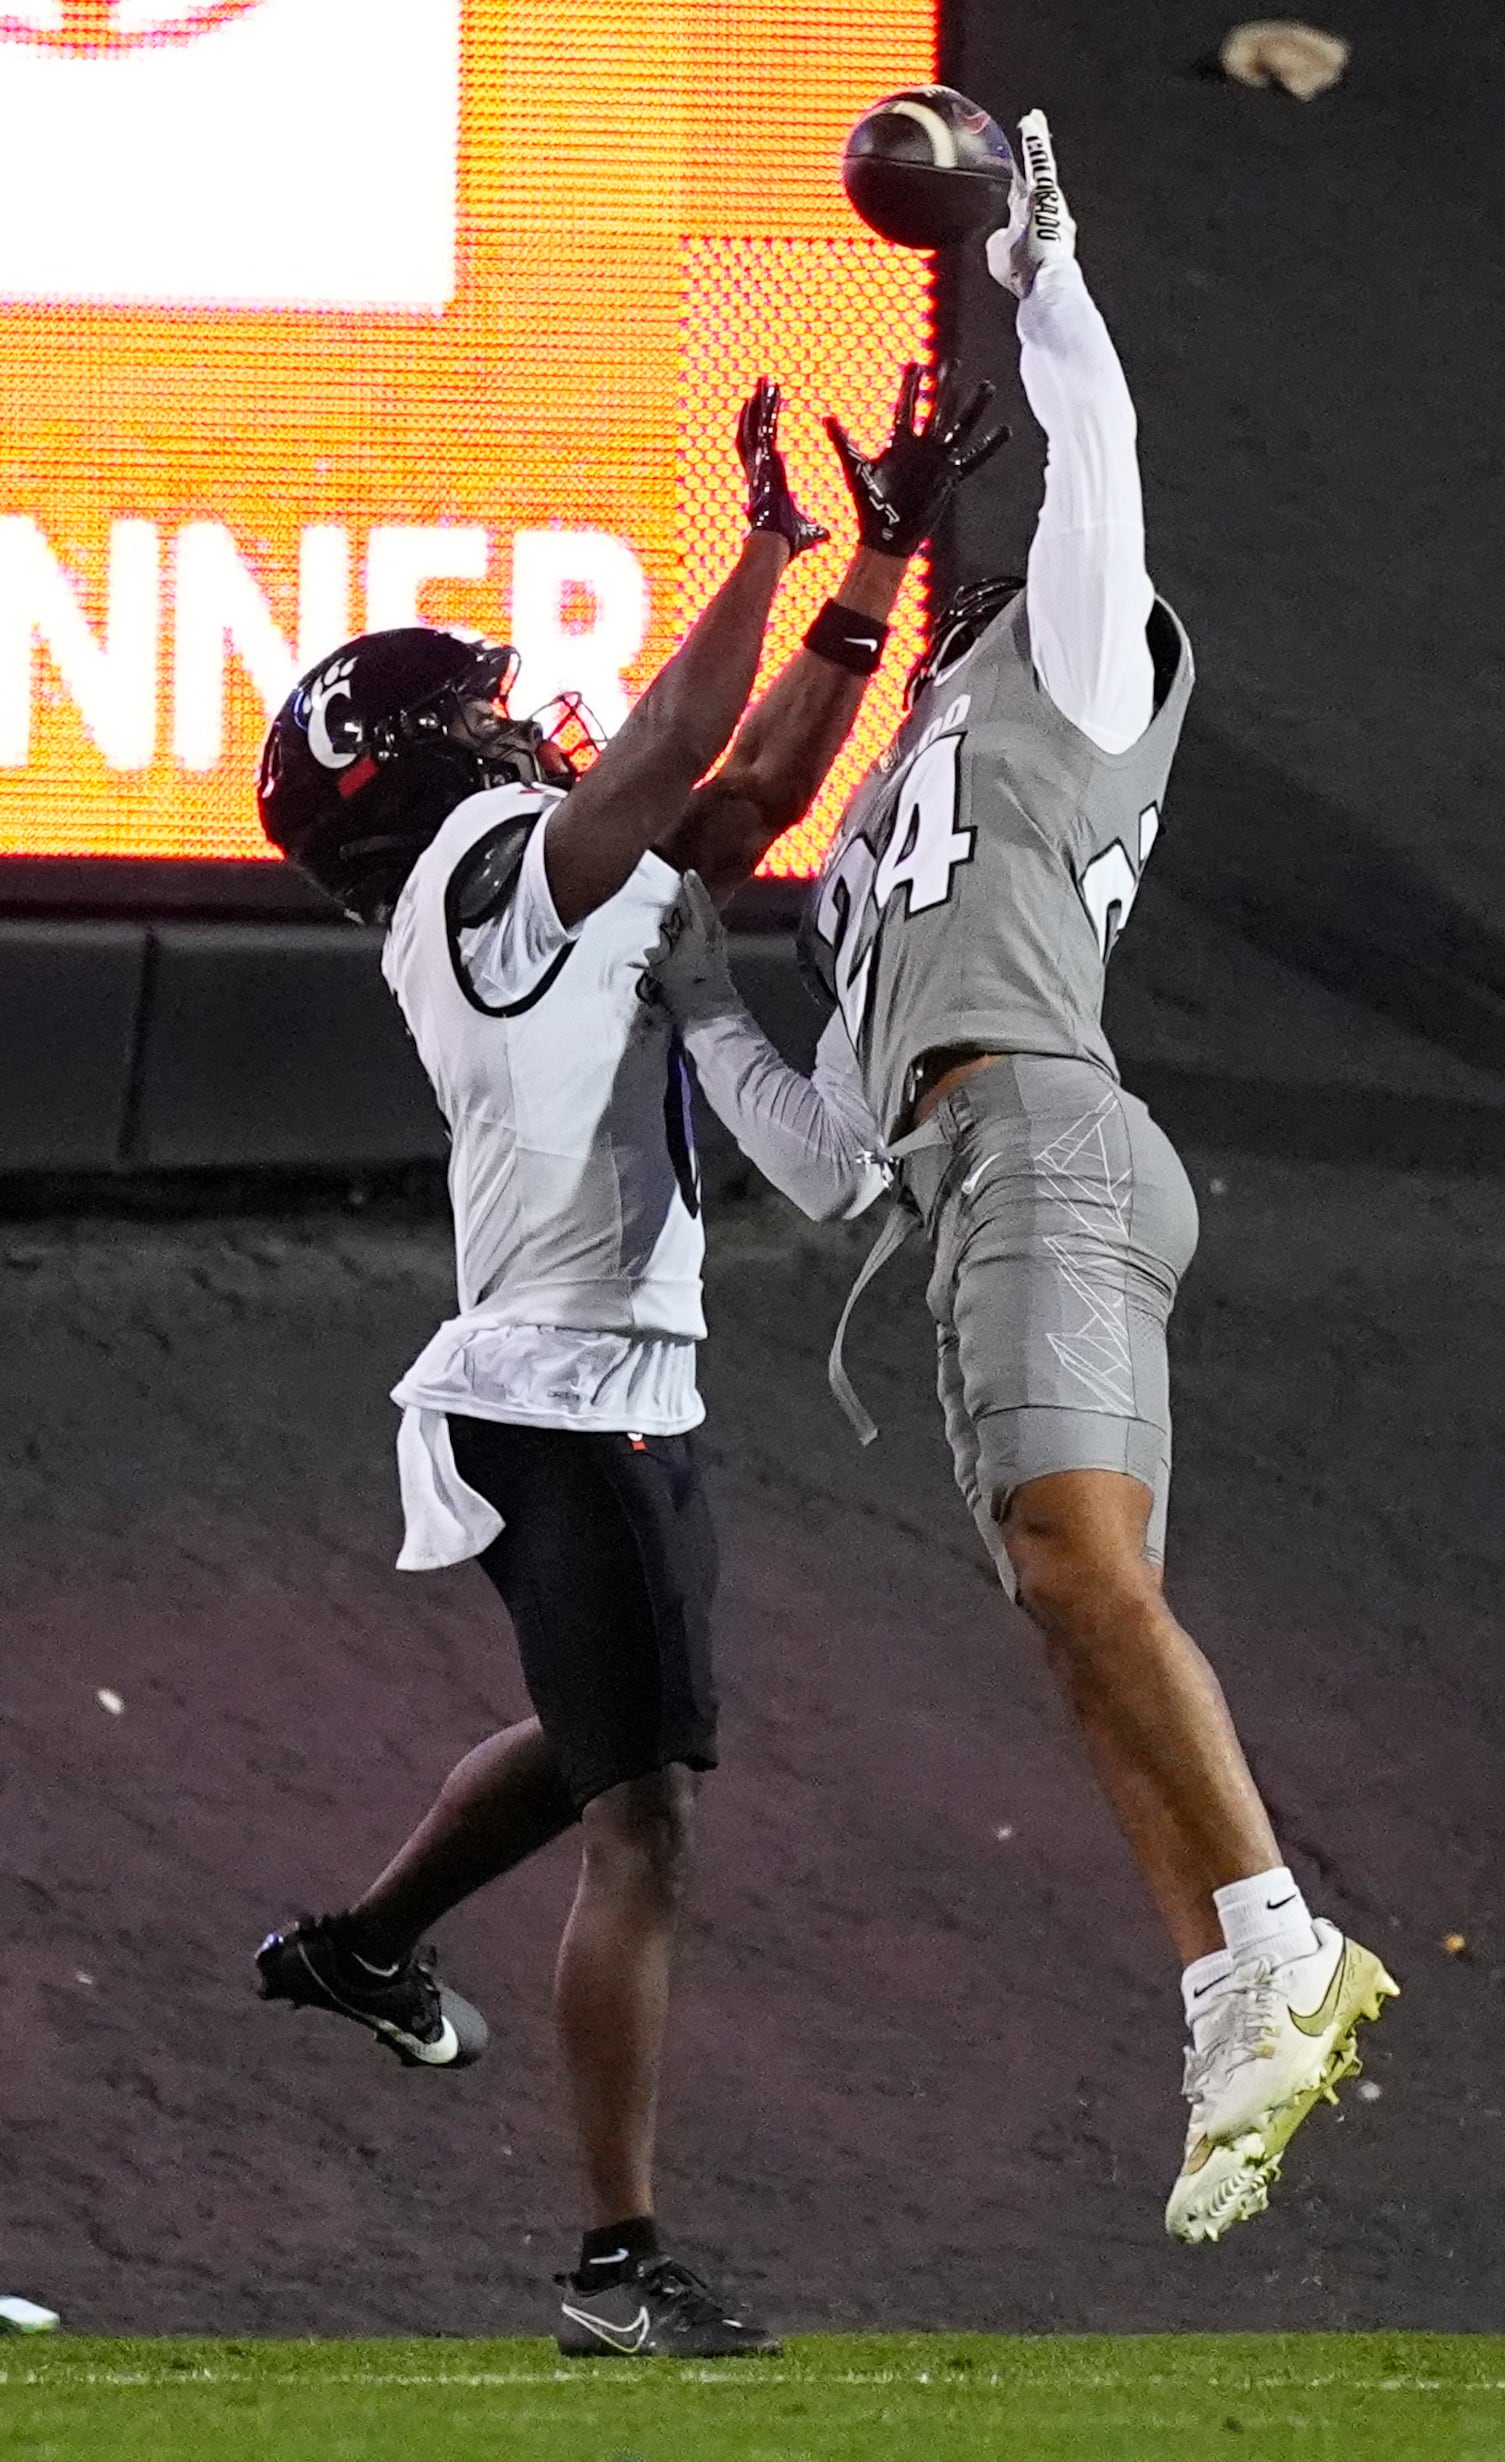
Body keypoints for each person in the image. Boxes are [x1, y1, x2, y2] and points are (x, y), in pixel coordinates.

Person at [661, 114, 1397, 2248]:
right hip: (961, 1176)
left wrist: (1021, 246)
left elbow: (1094, 441)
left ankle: (1270, 1935)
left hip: (1046, 1142)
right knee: (1069, 1607)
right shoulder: (892, 814)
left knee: (1079, 1570)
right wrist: (694, 986)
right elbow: (821, 1159)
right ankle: (1224, 1984)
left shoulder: (1078, 665)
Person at [251, 372, 1002, 2352]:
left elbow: (744, 794)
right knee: (646, 1809)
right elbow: (673, 739)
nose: (516, 719)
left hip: (593, 1381)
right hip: (560, 1387)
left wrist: (873, 577)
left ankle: (360, 1943)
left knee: (612, 1739)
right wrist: (764, 540)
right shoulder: (477, 880)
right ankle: (612, 2267)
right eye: (469, 717)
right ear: (413, 779)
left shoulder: (537, 888)